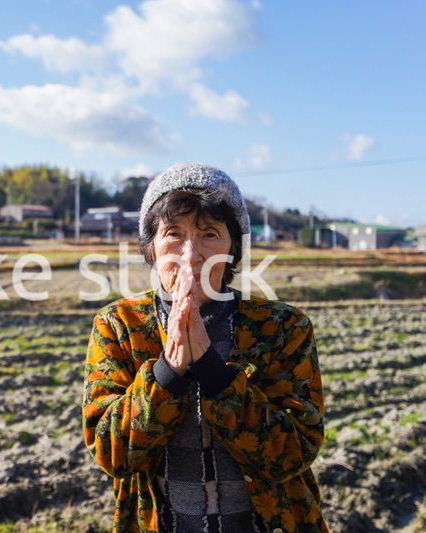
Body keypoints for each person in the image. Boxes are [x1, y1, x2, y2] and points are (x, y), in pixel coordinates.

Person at [82, 163, 327, 533]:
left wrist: (215, 373)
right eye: (173, 234)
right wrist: (168, 371)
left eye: (210, 234)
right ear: (151, 247)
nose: (191, 253)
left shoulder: (282, 328)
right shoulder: (120, 326)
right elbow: (111, 453)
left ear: (233, 249)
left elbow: (295, 450)